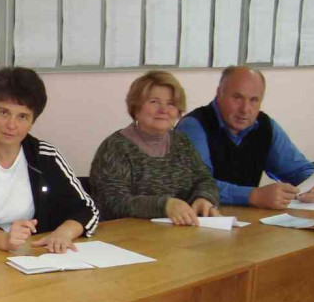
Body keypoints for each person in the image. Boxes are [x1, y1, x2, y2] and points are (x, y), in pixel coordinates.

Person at [0, 67, 98, 253]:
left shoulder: (46, 156)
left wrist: (63, 233)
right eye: (4, 113)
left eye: (22, 116)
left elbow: (88, 209)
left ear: (33, 121)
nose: (11, 125)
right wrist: (5, 241)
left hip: (35, 254)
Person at [177, 66, 314, 209]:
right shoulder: (194, 126)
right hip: (201, 219)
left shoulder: (265, 126)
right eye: (237, 98)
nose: (245, 109)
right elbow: (195, 184)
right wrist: (253, 196)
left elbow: (300, 168)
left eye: (254, 100)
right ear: (219, 94)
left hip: (246, 219)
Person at [90, 70, 220, 225]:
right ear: (136, 108)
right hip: (128, 234)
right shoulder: (115, 147)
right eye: (154, 102)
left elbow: (205, 180)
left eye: (171, 103)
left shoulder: (182, 142)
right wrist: (165, 205)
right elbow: (112, 203)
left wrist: (204, 198)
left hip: (179, 232)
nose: (163, 110)